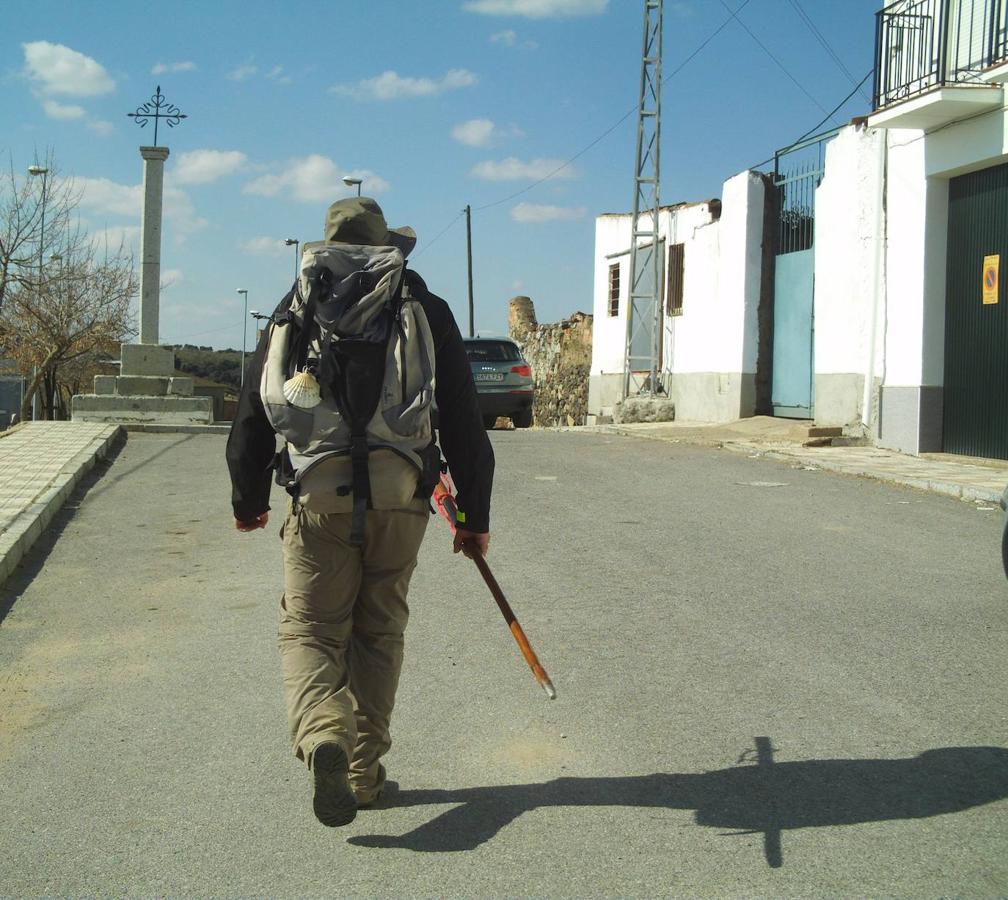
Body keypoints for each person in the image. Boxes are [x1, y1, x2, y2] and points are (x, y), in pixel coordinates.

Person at [226, 197, 494, 827]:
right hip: (401, 498)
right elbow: (462, 418)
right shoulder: (422, 306)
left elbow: (251, 408)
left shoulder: (296, 304)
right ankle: (363, 774)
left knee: (312, 631)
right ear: (389, 248)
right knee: (378, 634)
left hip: (317, 496)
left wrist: (247, 499)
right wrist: (473, 516)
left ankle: (325, 734)